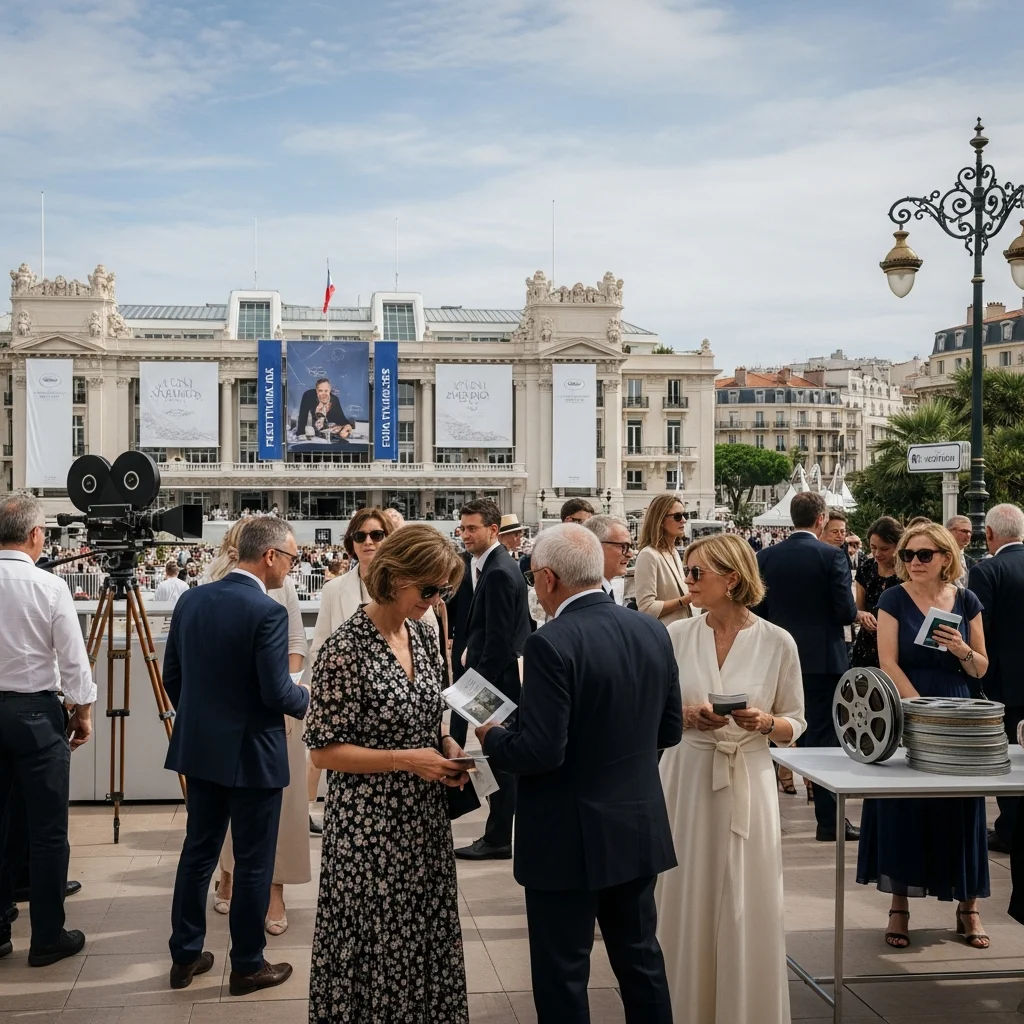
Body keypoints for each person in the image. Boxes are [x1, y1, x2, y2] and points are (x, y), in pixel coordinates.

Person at [477, 525, 681, 1024]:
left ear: (546, 579)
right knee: (641, 962)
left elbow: (542, 751)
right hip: (635, 823)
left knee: (563, 971)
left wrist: (493, 738)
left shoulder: (551, 643)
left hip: (567, 834)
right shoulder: (651, 629)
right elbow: (670, 729)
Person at [305, 525, 471, 1023]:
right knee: (375, 945)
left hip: (422, 822)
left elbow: (427, 713)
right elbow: (323, 753)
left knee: (422, 938)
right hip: (368, 830)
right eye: (428, 589)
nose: (436, 599)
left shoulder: (421, 632)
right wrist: (405, 759)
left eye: (444, 590)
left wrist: (444, 744)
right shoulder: (345, 649)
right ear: (395, 577)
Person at [657, 533, 805, 1024]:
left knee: (747, 896)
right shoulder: (676, 636)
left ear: (732, 578)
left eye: (697, 573)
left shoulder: (777, 641)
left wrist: (766, 723)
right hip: (687, 774)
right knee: (684, 892)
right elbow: (654, 713)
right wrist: (686, 715)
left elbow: (795, 724)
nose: (687, 581)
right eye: (687, 570)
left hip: (749, 775)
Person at [164, 518, 310, 995]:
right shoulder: (265, 610)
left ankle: (184, 956)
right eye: (290, 557)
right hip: (254, 752)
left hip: (201, 749)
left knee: (198, 853)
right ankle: (247, 964)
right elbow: (276, 692)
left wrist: (205, 716)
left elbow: (173, 678)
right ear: (269, 556)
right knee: (253, 861)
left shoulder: (191, 599)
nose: (292, 566)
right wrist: (311, 697)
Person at [857, 521, 990, 949]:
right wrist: (919, 709)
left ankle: (968, 906)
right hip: (910, 708)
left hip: (956, 710)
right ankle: (899, 904)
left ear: (945, 558)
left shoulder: (966, 599)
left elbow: (980, 668)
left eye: (924, 555)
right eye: (909, 555)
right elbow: (888, 663)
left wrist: (961, 649)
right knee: (905, 806)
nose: (914, 562)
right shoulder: (894, 597)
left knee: (962, 809)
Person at [0, 494, 95, 966]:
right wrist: (83, 711)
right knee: (48, 830)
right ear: (36, 536)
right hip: (36, 712)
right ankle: (47, 936)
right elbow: (73, 663)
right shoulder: (49, 586)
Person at [202, 523, 311, 937]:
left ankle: (275, 891)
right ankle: (227, 873)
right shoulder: (211, 582)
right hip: (233, 715)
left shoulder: (281, 585)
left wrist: (286, 692)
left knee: (279, 809)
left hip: (278, 710)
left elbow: (296, 642)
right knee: (229, 809)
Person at [755, 490, 858, 842]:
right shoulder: (833, 556)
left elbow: (758, 611)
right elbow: (845, 611)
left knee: (770, 732)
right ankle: (829, 821)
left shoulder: (765, 556)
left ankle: (763, 815)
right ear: (821, 520)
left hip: (776, 657)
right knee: (824, 739)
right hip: (822, 660)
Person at [452, 498, 532, 861]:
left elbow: (500, 640)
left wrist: (474, 688)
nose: (465, 535)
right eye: (462, 528)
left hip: (494, 684)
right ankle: (497, 834)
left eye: (472, 528)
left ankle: (498, 836)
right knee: (495, 760)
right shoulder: (494, 565)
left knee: (498, 763)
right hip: (496, 680)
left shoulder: (498, 571)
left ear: (493, 530)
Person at [308, 508, 396, 832]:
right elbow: (319, 646)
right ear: (351, 543)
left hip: (389, 711)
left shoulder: (403, 585)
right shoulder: (334, 590)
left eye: (376, 535)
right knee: (347, 801)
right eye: (361, 536)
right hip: (347, 711)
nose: (368, 542)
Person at [968, 504, 1024, 855]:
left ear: (988, 534)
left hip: (1007, 684)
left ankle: (1010, 829)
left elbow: (980, 632)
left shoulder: (987, 570)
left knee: (1010, 759)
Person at [850, 517, 903, 669]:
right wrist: (862, 616)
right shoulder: (866, 569)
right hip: (867, 644)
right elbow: (859, 608)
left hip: (898, 643)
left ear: (898, 546)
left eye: (884, 548)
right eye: (873, 547)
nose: (877, 553)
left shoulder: (909, 571)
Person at [633, 493, 692, 626]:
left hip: (682, 631)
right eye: (677, 516)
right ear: (660, 520)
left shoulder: (674, 552)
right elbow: (646, 608)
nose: (683, 520)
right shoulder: (648, 555)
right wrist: (684, 601)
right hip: (665, 633)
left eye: (685, 515)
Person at [583, 513, 633, 605]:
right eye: (623, 546)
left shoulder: (601, 588)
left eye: (629, 546)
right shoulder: (587, 595)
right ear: (595, 545)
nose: (630, 554)